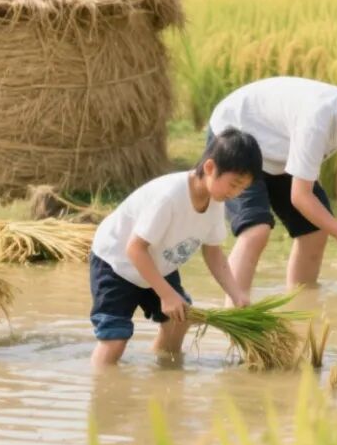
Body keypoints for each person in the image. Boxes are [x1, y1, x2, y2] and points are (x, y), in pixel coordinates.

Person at [209, 73, 337, 293]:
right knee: (256, 231)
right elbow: (300, 196)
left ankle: (300, 306)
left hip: (280, 152)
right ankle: (235, 315)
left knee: (314, 231)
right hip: (237, 135)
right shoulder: (317, 121)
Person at [89, 128, 261, 366]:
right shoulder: (169, 197)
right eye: (234, 184)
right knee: (115, 338)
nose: (236, 194)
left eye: (242, 188)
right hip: (118, 263)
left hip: (157, 265)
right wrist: (167, 295)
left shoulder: (215, 203)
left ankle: (165, 375)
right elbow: (135, 249)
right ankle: (103, 392)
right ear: (210, 168)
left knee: (178, 321)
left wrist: (236, 293)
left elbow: (213, 251)